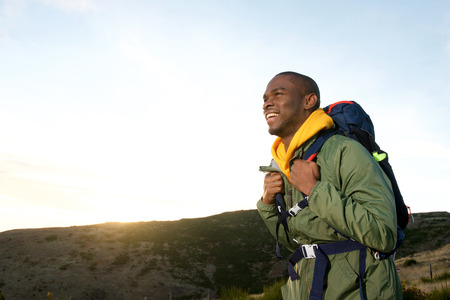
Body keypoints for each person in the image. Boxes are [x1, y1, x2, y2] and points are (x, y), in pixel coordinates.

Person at [257, 71, 402, 299]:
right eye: (265, 98)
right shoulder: (285, 164)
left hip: (359, 291)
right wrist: (267, 205)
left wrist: (315, 190)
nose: (267, 103)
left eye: (277, 94)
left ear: (309, 101)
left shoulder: (344, 150)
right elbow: (297, 242)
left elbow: (384, 235)